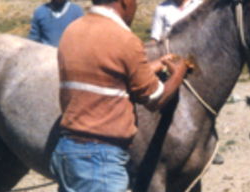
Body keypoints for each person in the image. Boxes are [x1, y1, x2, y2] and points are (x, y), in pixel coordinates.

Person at [50, 0, 190, 189]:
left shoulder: (72, 31)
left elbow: (107, 76)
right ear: (125, 2)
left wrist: (153, 65)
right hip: (100, 160)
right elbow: (155, 99)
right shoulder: (125, 40)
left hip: (67, 151)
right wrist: (179, 73)